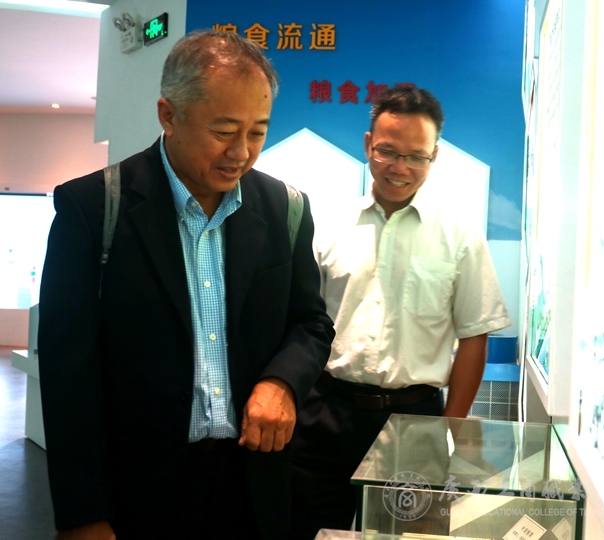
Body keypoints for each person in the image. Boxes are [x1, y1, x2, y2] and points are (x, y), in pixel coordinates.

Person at [38, 30, 334, 540]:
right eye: (223, 130)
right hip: (138, 493)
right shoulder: (95, 208)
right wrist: (82, 513)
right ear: (169, 115)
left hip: (251, 483)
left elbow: (310, 322)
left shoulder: (284, 208)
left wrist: (282, 381)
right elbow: (69, 374)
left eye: (258, 132)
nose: (241, 152)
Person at [290, 86, 511, 537]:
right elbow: (302, 323)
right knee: (311, 530)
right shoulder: (328, 225)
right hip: (326, 414)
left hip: (415, 422)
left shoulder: (459, 235)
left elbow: (474, 335)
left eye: (416, 157)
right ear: (368, 144)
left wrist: (453, 431)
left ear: (434, 156)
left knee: (409, 536)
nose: (400, 167)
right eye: (388, 152)